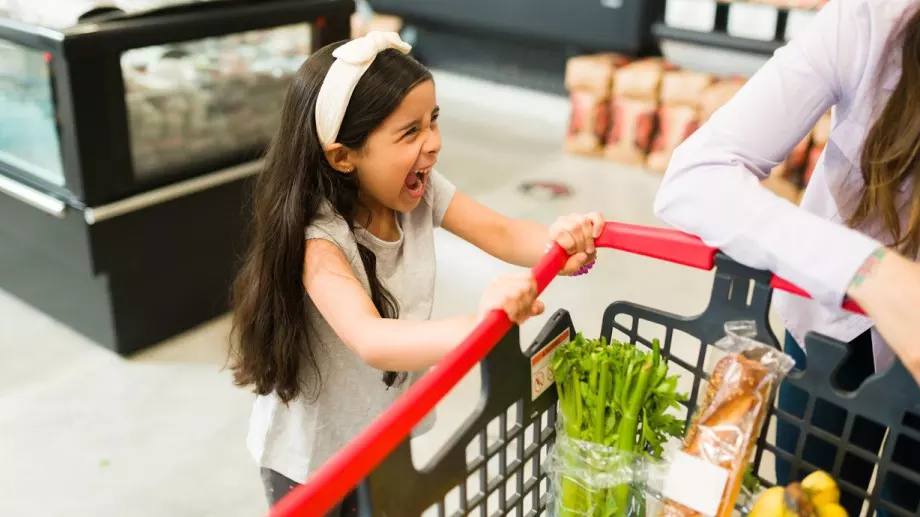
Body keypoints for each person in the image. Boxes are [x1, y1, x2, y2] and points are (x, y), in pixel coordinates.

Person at [228, 32, 605, 514]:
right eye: (410, 132)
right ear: (344, 156)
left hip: (381, 432)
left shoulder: (419, 194)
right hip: (311, 461)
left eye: (434, 121)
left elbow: (502, 232)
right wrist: (480, 324)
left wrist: (560, 243)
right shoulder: (319, 241)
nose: (434, 143)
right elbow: (371, 339)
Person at [654, 0, 920, 515]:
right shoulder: (871, 21)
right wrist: (866, 269)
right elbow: (694, 177)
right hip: (838, 330)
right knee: (810, 491)